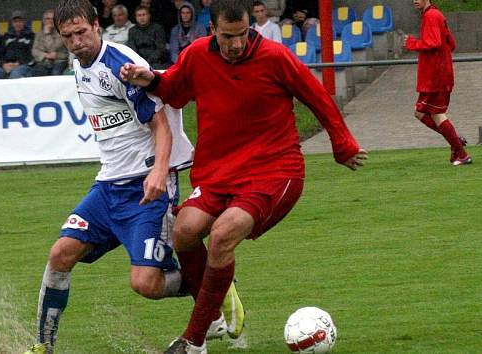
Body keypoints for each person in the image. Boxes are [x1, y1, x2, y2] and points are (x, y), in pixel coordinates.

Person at [121, 0, 368, 352]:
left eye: (242, 35)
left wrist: (342, 144)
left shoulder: (274, 57)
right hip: (219, 171)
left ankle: (193, 341)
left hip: (274, 170)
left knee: (221, 235)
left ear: (250, 26)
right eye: (227, 37)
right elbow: (173, 89)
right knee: (185, 232)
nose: (236, 44)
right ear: (213, 31)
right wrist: (149, 79)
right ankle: (217, 318)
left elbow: (318, 97)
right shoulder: (196, 56)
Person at [21, 1, 240, 353]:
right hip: (108, 188)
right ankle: (43, 346)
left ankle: (214, 281)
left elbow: (162, 123)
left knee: (147, 285)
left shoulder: (119, 65)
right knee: (60, 254)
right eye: (68, 36)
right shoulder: (80, 67)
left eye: (82, 32)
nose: (77, 41)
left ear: (96, 25)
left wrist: (158, 172)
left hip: (145, 189)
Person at [404, 0, 471, 166]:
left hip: (435, 77)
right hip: (438, 74)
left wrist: (412, 43)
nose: (415, 0)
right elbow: (451, 44)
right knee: (420, 113)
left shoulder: (431, 16)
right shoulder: (436, 14)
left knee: (435, 114)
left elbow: (434, 42)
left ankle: (461, 153)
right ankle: (455, 142)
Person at [127, 5, 169, 69]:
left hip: (156, 61)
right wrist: (140, 61)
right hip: (138, 62)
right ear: (136, 17)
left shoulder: (157, 28)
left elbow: (160, 48)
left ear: (149, 16)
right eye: (139, 15)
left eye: (144, 15)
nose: (142, 18)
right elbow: (132, 49)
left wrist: (148, 61)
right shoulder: (132, 31)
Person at [0, 10, 35, 79]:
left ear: (24, 22)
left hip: (24, 65)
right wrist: (3, 64)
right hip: (6, 65)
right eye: (15, 21)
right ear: (12, 23)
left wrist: (18, 64)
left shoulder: (31, 36)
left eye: (20, 21)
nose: (17, 24)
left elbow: (33, 55)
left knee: (15, 74)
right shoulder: (6, 36)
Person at [30, 10, 69, 77]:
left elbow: (52, 48)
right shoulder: (39, 33)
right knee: (34, 74)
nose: (50, 21)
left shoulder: (61, 32)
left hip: (59, 61)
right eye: (47, 19)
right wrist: (46, 55)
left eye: (52, 19)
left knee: (55, 74)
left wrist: (47, 33)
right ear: (43, 20)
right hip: (44, 62)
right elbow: (34, 51)